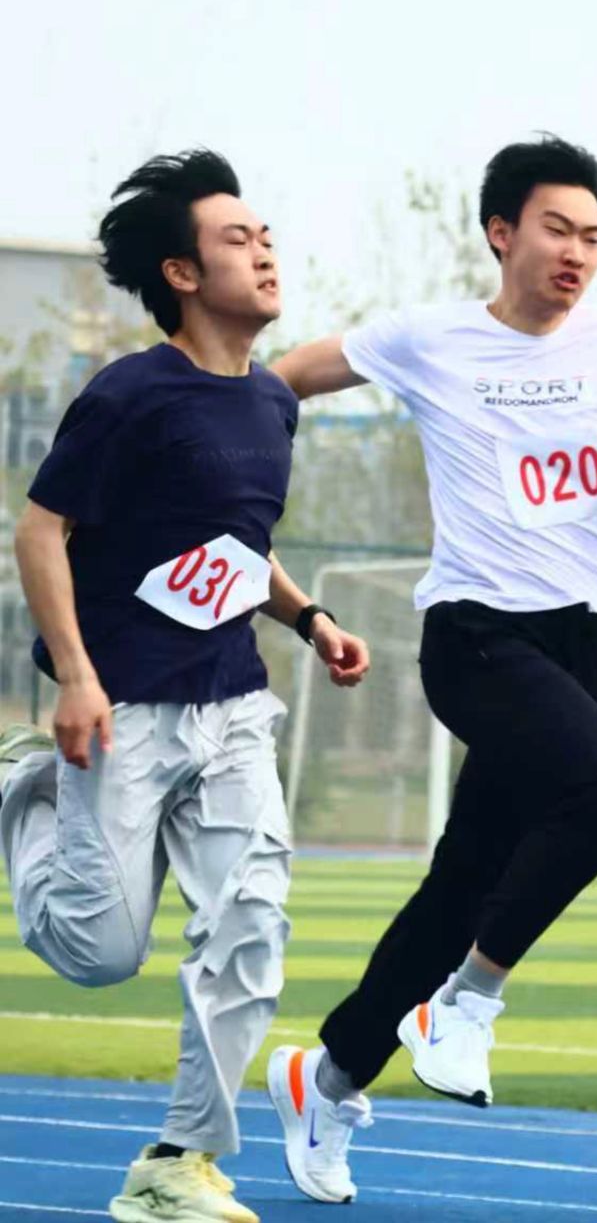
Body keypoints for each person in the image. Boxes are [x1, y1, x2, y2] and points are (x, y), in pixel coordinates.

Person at [263, 134, 597, 1205]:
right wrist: (210, 440)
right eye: (557, 229)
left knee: (462, 883)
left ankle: (328, 1077)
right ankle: (468, 1002)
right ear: (502, 232)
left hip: (582, 641)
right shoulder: (430, 338)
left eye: (593, 235)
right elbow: (284, 380)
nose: (577, 252)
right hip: (475, 637)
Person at [0, 151, 369, 1223]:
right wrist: (76, 677)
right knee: (98, 952)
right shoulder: (128, 394)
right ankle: (24, 793)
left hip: (234, 706)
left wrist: (309, 618)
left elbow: (235, 543)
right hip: (122, 710)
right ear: (181, 273)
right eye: (237, 240)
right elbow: (40, 532)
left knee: (252, 925)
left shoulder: (271, 403)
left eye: (267, 236)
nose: (265, 252)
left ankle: (178, 1162)